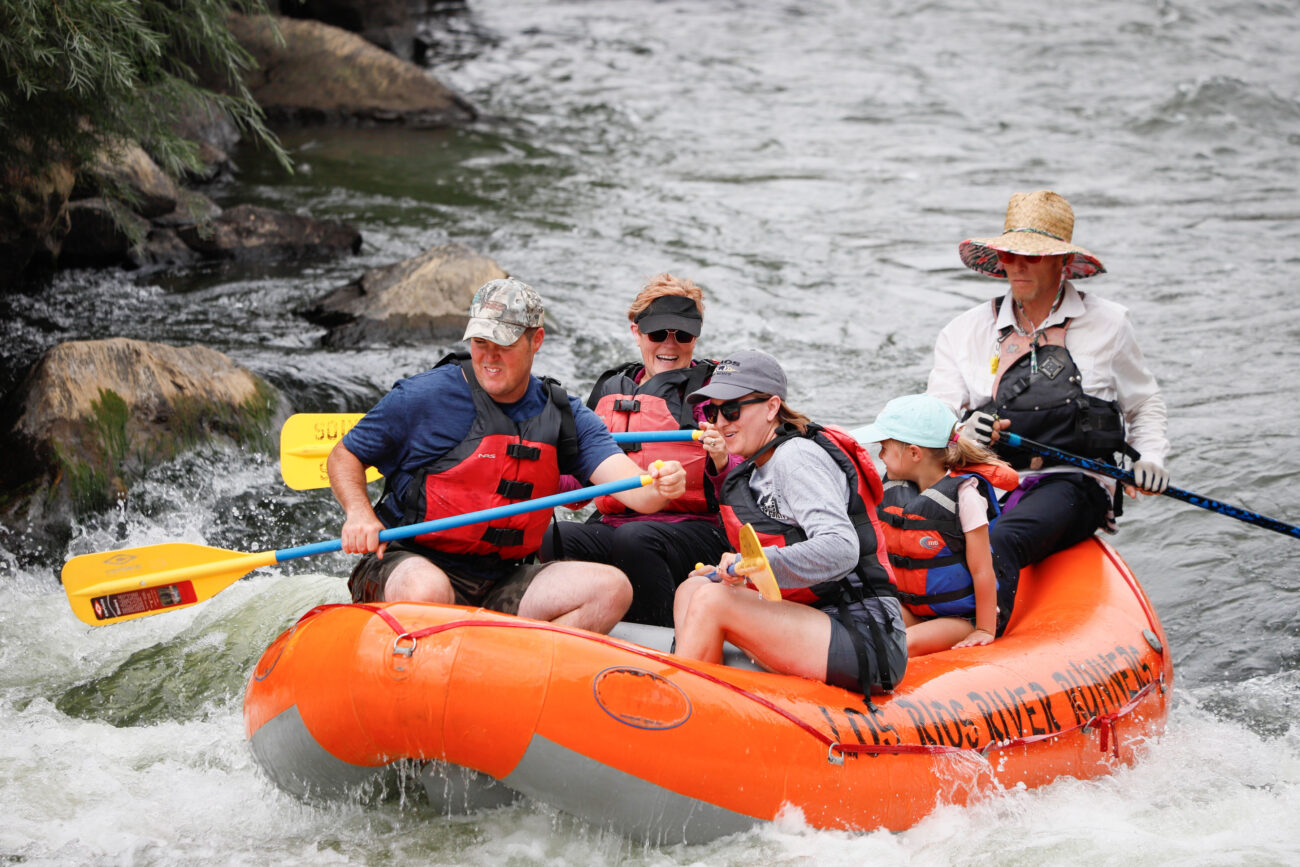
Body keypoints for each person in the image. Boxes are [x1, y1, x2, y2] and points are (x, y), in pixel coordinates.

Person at [327, 278, 687, 635]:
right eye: (481, 342)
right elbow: (346, 454)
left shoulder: (563, 413)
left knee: (610, 590)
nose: (490, 356)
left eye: (504, 343)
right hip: (407, 563)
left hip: (501, 578)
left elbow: (637, 491)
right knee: (429, 590)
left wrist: (662, 483)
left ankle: (513, 670)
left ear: (536, 341)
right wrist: (359, 514)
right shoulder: (425, 396)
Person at [927, 190, 1170, 634]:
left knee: (998, 540)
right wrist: (960, 434)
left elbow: (1143, 403)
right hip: (988, 479)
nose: (1016, 267)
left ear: (1063, 263)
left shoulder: (1109, 324)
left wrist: (1150, 458)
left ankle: (983, 639)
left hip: (1074, 483)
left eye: (1032, 258)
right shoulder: (962, 332)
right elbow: (936, 420)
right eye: (1010, 255)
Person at [672, 350, 907, 697]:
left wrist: (751, 565)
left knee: (711, 601)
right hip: (813, 616)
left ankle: (681, 705)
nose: (720, 421)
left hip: (863, 632)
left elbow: (842, 548)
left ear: (771, 407)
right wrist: (736, 571)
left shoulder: (796, 459)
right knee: (691, 589)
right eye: (712, 411)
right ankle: (701, 687)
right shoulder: (759, 466)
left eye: (732, 409)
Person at [540, 275, 733, 626]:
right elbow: (578, 489)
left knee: (635, 539)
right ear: (636, 332)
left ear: (697, 336)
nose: (670, 345)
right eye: (658, 334)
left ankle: (659, 635)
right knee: (555, 536)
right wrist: (540, 475)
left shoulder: (716, 392)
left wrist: (723, 459)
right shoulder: (611, 389)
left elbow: (754, 476)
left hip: (699, 529)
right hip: (618, 521)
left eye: (683, 335)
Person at [854, 393, 1019, 656]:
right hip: (912, 608)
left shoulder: (965, 497)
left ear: (914, 453)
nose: (881, 456)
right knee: (859, 623)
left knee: (901, 644)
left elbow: (982, 570)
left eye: (884, 447)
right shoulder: (893, 490)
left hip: (958, 620)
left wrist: (985, 629)